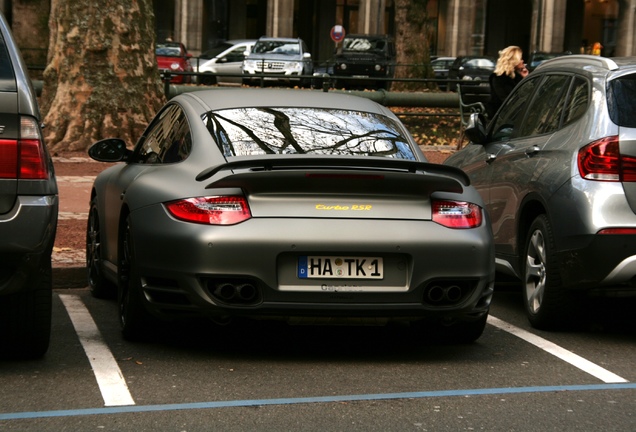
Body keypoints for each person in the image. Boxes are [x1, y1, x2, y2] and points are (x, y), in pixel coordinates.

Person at [486, 46, 529, 118]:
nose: (523, 61)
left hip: (517, 113)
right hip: (501, 116)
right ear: (514, 60)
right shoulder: (498, 78)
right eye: (520, 59)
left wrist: (526, 78)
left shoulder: (517, 76)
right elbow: (507, 100)